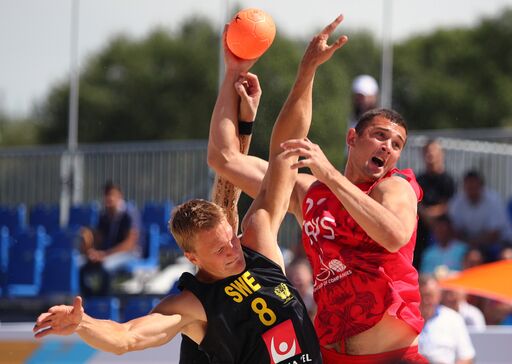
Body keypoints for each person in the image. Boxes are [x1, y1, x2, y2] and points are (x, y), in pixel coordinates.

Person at [32, 17, 343, 363]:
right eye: (219, 249)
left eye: (230, 238)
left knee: (234, 184)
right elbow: (127, 337)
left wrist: (305, 72)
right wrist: (83, 323)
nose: (232, 249)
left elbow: (284, 153)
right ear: (193, 258)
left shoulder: (259, 246)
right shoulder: (193, 304)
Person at [209, 15, 427, 364]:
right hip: (330, 356)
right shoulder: (310, 194)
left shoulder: (394, 187)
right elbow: (224, 158)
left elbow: (394, 235)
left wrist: (328, 172)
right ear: (352, 138)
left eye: (397, 143)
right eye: (380, 136)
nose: (388, 147)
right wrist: (235, 71)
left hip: (393, 357)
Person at [79, 181, 141, 296]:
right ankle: (88, 301)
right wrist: (93, 251)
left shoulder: (129, 214)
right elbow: (99, 239)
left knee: (106, 267)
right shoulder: (104, 216)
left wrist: (106, 254)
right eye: (106, 195)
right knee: (81, 266)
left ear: (120, 196)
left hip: (129, 254)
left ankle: (104, 303)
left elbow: (129, 244)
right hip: (107, 254)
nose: (109, 198)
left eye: (112, 194)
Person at [448, 170, 512, 261]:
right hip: (473, 244)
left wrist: (472, 243)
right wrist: (470, 244)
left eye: (474, 187)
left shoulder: (494, 200)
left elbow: (494, 235)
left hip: (502, 242)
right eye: (469, 187)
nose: (472, 191)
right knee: (473, 258)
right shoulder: (457, 202)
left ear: (481, 187)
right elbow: (455, 231)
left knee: (508, 256)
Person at [415, 139, 456, 269]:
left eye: (433, 152)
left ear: (441, 154)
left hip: (442, 232)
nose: (430, 155)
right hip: (420, 231)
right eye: (427, 152)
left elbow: (449, 204)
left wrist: (429, 215)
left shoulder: (448, 180)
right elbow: (415, 202)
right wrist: (424, 214)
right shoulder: (419, 179)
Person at [418, 275, 476, 364]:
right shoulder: (407, 319)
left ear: (438, 296)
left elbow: (467, 356)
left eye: (430, 296)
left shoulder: (453, 318)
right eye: (421, 295)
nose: (426, 300)